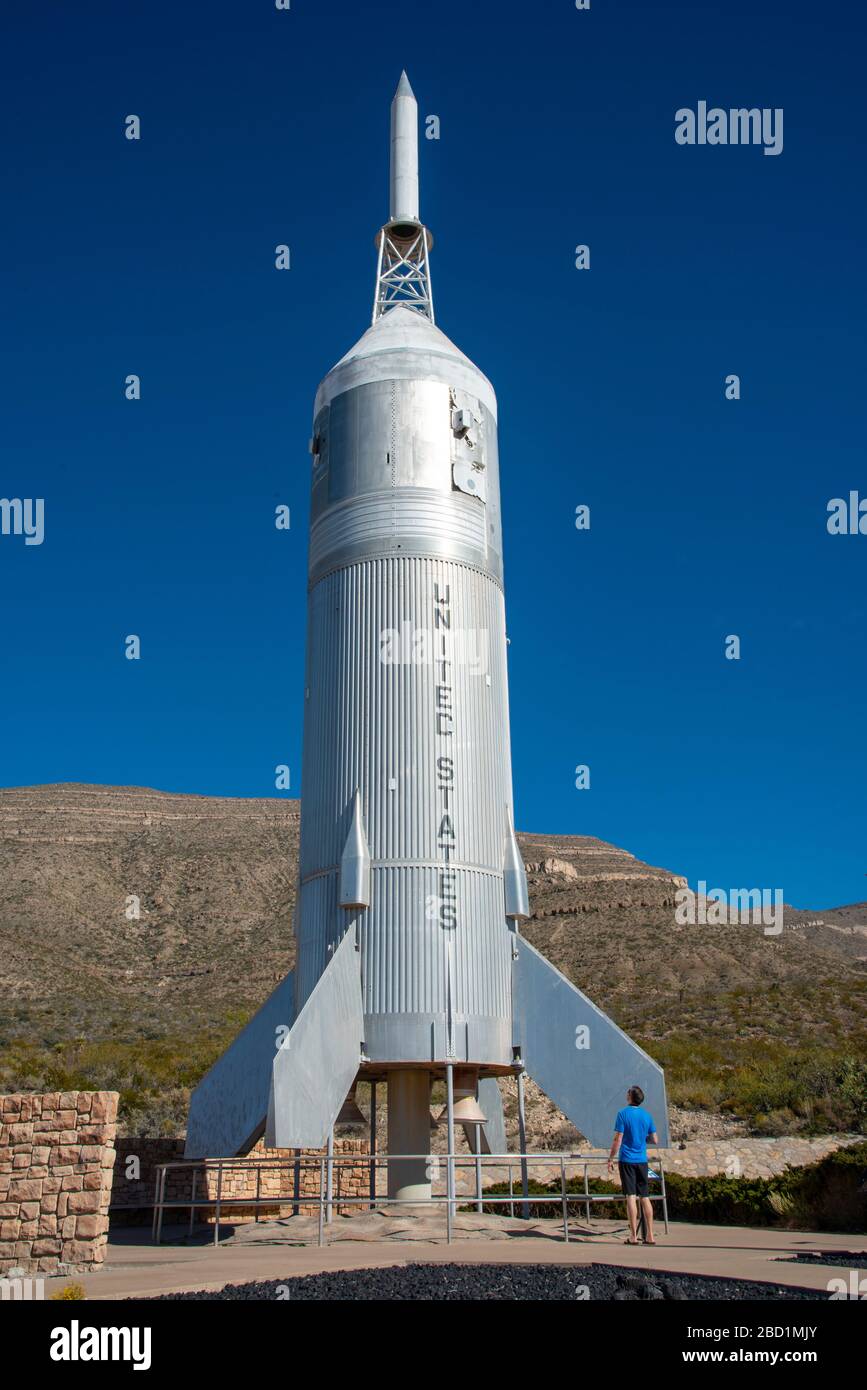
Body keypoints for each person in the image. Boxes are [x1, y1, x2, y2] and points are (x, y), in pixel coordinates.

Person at [607, 1085, 658, 1245]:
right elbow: (655, 1140)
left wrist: (611, 1157)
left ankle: (633, 1236)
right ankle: (650, 1235)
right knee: (645, 1197)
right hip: (642, 1160)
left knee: (630, 1196)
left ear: (630, 1097)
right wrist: (642, 1139)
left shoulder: (622, 1114)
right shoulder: (647, 1116)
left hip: (627, 1159)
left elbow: (618, 1139)